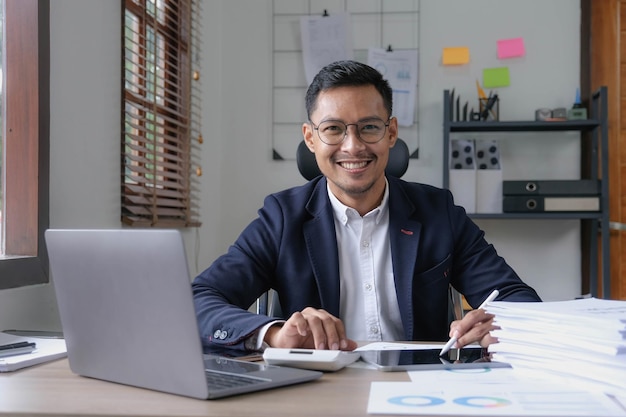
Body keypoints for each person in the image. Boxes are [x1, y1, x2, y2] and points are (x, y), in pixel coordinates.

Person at [192, 60, 541, 353]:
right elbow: (198, 300)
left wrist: (498, 324)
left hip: (421, 389)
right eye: (333, 129)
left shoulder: (439, 212)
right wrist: (274, 333)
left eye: (369, 128)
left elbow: (516, 296)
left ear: (391, 133)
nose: (353, 146)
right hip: (318, 391)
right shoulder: (283, 218)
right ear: (311, 139)